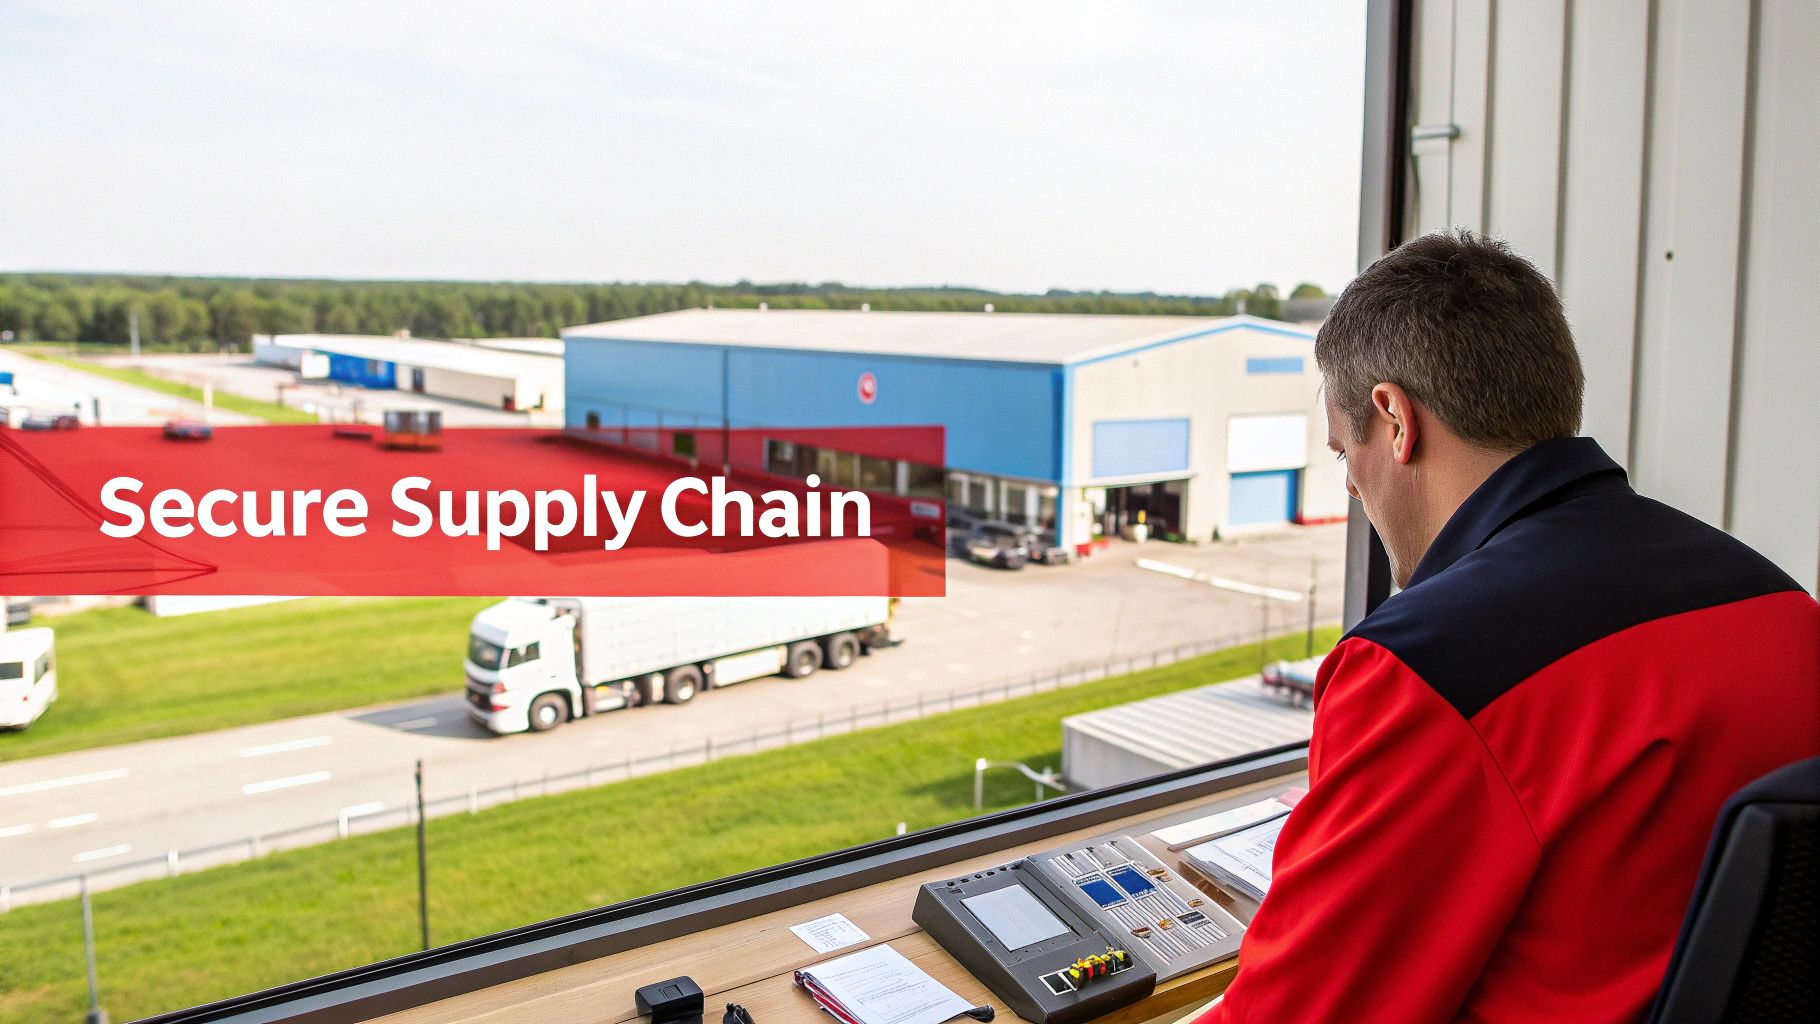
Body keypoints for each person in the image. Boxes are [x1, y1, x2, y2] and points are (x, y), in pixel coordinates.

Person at [1194, 231, 1820, 1023]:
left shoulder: (1428, 667)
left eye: (1343, 452)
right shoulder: (1783, 606)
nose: (1352, 486)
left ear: (1393, 420)